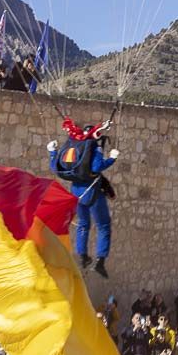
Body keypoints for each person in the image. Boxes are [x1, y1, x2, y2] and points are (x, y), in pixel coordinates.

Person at [48, 119, 119, 278]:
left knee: (83, 224)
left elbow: (55, 167)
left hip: (76, 193)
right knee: (103, 225)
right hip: (92, 193)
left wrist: (52, 152)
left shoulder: (75, 150)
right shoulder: (92, 148)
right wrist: (112, 158)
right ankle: (100, 261)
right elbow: (96, 167)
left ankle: (82, 257)